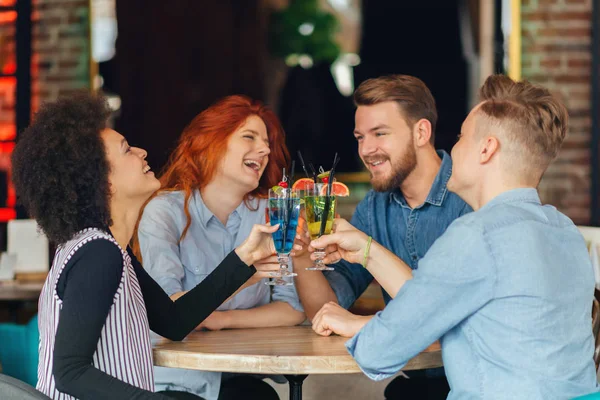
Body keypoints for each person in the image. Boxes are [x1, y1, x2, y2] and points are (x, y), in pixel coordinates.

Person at [306, 75, 598, 399]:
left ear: (487, 149)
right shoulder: (565, 230)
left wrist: (356, 326)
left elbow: (380, 351)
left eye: (461, 137)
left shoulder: (476, 235)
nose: (453, 148)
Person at [11, 94, 282, 400]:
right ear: (105, 181)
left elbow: (175, 322)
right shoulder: (98, 255)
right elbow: (70, 372)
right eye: (127, 150)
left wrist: (244, 259)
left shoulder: (113, 251)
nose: (141, 152)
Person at [292, 74, 470, 398]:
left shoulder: (469, 198)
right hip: (415, 383)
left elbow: (445, 321)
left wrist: (361, 324)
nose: (366, 150)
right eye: (360, 137)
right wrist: (302, 254)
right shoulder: (374, 207)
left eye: (380, 134)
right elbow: (327, 308)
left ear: (421, 132)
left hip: (474, 380)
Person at [136, 95, 304, 399]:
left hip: (241, 374)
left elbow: (290, 308)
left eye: (266, 142)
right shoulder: (165, 212)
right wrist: (241, 278)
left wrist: (219, 320)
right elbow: (169, 307)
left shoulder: (270, 213)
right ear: (210, 142)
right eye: (249, 137)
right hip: (177, 380)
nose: (265, 150)